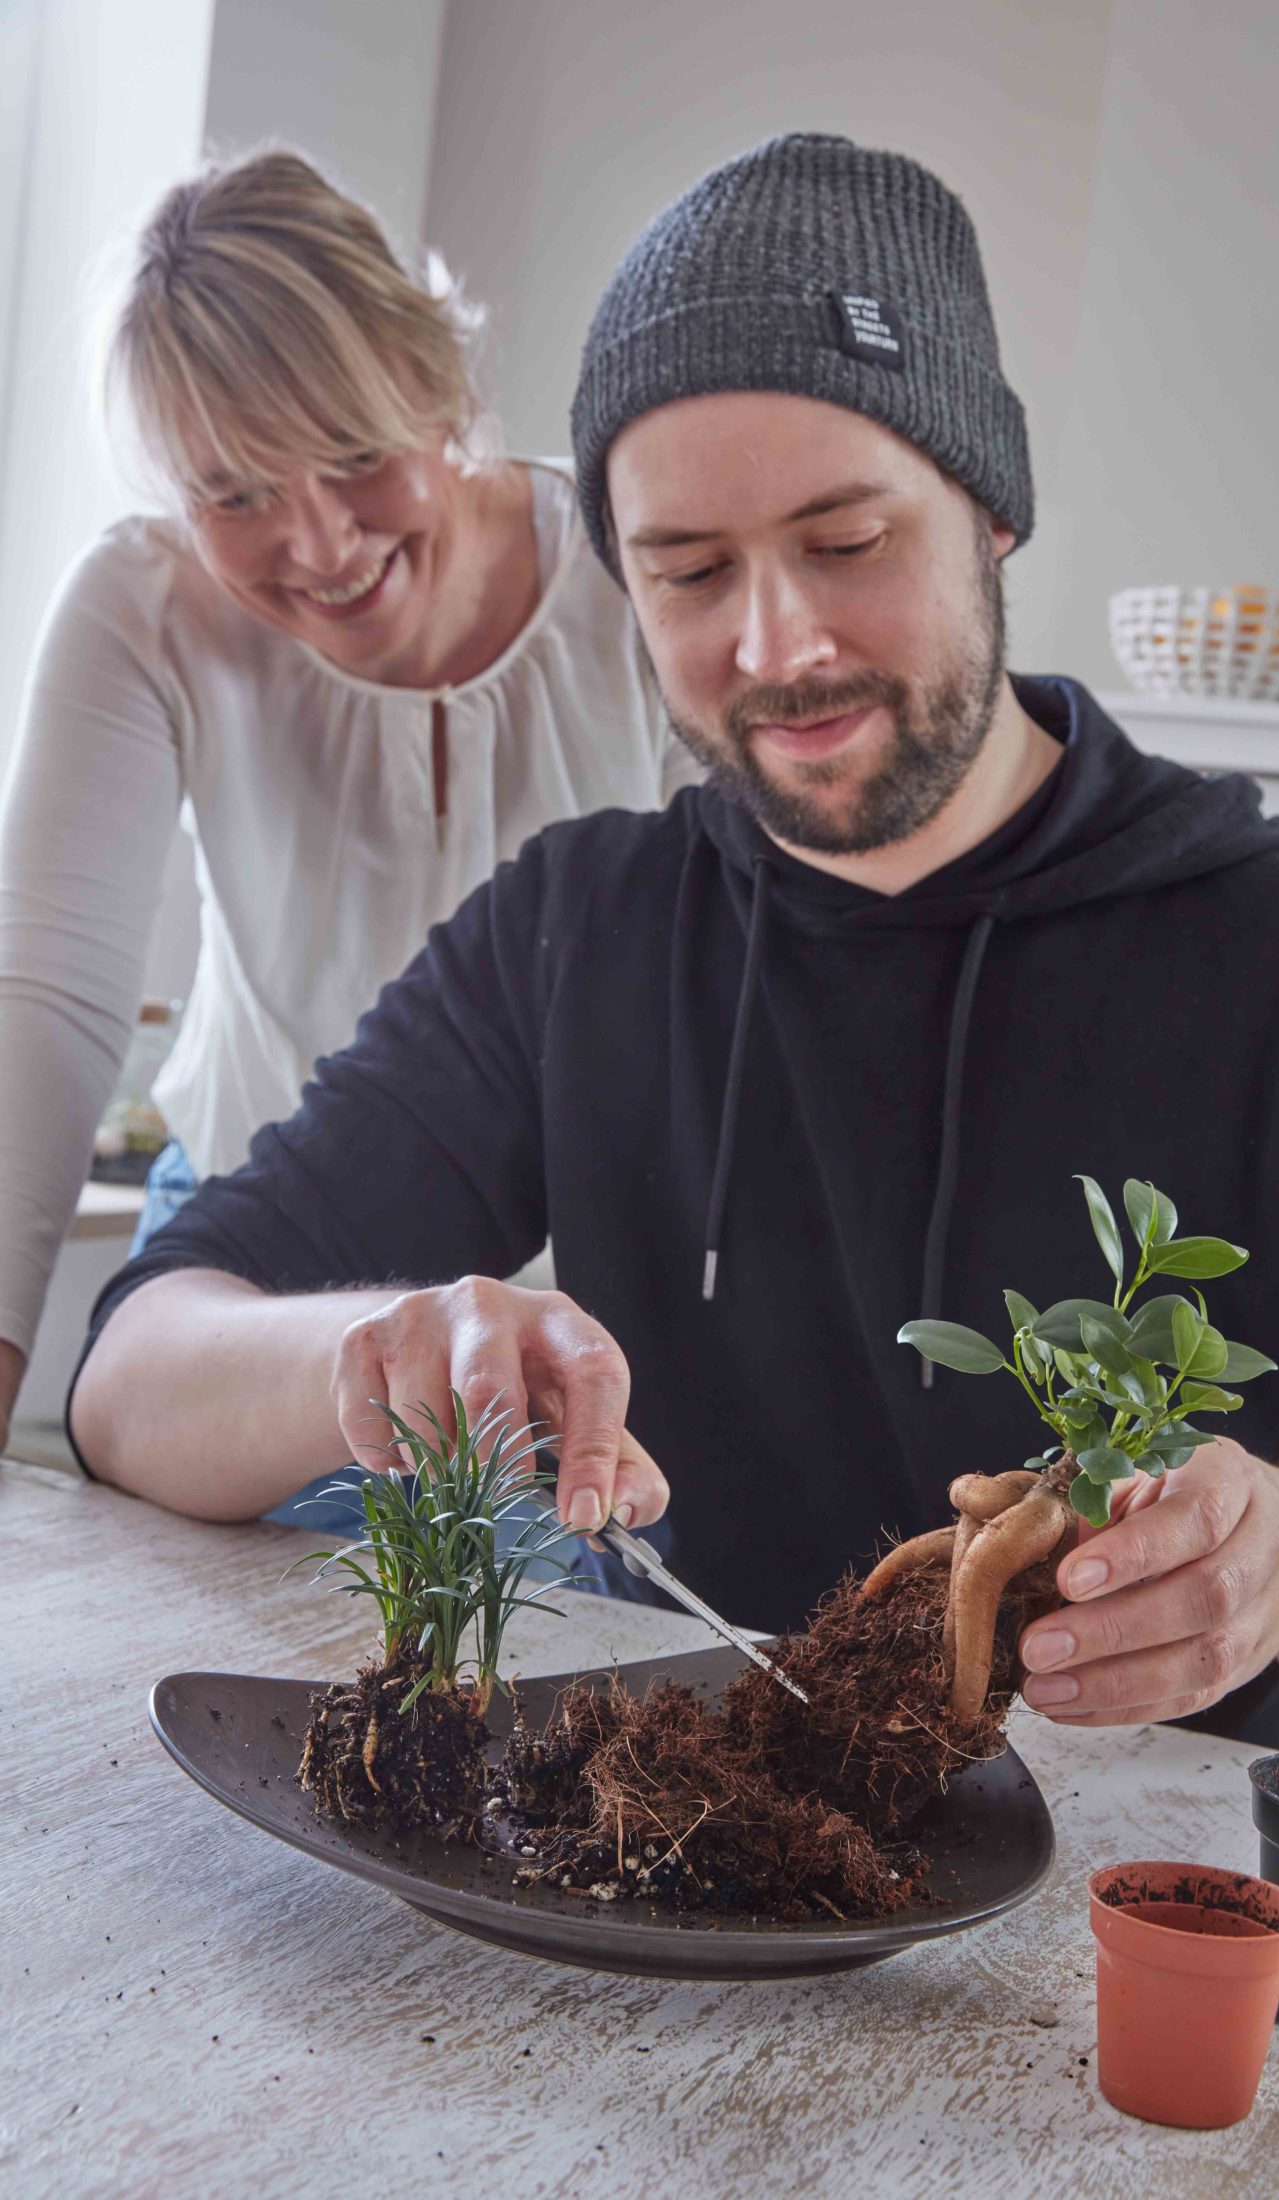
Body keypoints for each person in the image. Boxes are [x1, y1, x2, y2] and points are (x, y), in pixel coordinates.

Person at [70, 135, 1279, 1762]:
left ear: (991, 508)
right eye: (689, 571)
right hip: (678, 1857)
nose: (776, 645)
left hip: (1115, 1931)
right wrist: (371, 1355)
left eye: (848, 543)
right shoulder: (577, 928)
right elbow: (130, 1383)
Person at [0, 149, 698, 1456]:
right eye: (236, 493)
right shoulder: (144, 606)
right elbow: (43, 1002)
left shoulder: (634, 581)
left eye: (351, 454)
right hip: (239, 1286)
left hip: (557, 1324)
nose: (317, 545)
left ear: (439, 389)